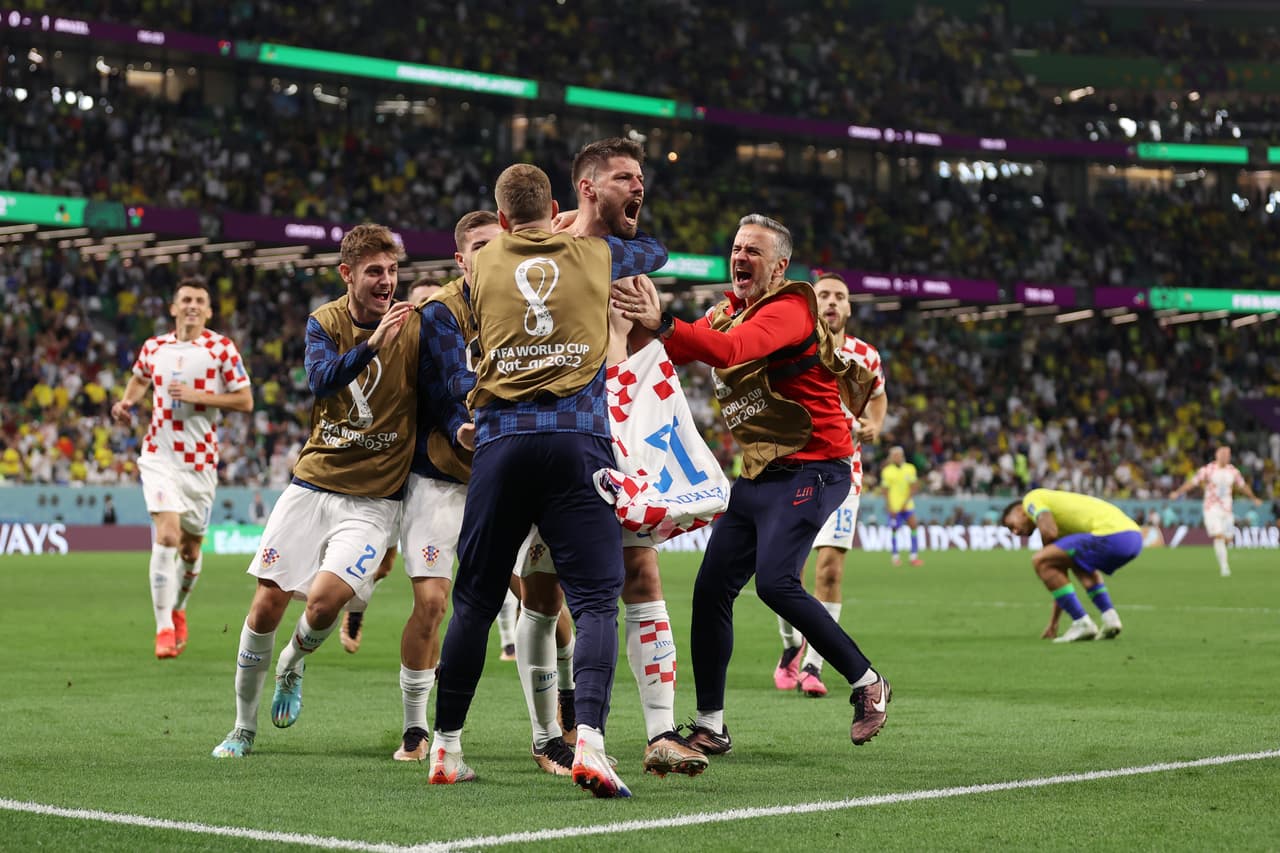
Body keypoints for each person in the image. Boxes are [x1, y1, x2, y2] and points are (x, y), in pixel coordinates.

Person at [427, 163, 668, 798]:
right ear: (556, 205)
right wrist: (574, 227)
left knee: (476, 603)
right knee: (592, 601)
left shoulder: (481, 265)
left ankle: (445, 747)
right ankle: (588, 741)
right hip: (576, 442)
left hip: (502, 444)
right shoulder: (595, 252)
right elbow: (657, 251)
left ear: (500, 219)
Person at [614, 213, 892, 753]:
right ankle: (712, 726)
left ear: (780, 266)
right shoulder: (724, 312)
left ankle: (868, 683)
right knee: (710, 589)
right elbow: (681, 348)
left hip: (816, 468)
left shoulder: (790, 308)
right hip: (761, 472)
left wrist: (666, 322)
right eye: (737, 248)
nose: (740, 257)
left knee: (774, 583)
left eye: (754, 252)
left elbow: (732, 350)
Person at [211, 224, 427, 758]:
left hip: (374, 500)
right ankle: (242, 728)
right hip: (312, 485)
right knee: (265, 605)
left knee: (327, 603)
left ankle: (293, 661)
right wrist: (372, 346)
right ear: (347, 274)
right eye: (375, 271)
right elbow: (321, 379)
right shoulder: (324, 323)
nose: (386, 282)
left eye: (393, 271)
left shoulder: (416, 328)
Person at [558, 137, 713, 777]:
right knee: (542, 596)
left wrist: (654, 318)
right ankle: (551, 735)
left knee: (642, 573)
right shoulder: (546, 244)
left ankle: (659, 735)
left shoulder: (629, 264)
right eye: (626, 176)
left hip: (610, 440)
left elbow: (638, 346)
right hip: (547, 433)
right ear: (590, 185)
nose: (640, 186)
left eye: (643, 176)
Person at [110, 278, 253, 659]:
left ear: (208, 311)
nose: (192, 305)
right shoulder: (154, 347)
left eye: (199, 301)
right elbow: (140, 378)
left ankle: (179, 607)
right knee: (168, 536)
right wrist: (126, 403)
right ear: (173, 308)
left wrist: (199, 396)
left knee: (190, 550)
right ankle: (163, 629)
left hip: (200, 462)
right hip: (159, 455)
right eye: (185, 299)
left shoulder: (221, 348)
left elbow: (245, 400)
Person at [774, 272, 887, 699]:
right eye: (824, 295)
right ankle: (789, 648)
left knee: (830, 569)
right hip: (793, 470)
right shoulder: (792, 344)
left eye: (841, 297)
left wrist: (874, 424)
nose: (833, 302)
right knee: (785, 573)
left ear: (850, 308)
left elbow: (877, 394)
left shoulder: (865, 356)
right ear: (811, 302)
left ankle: (813, 664)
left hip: (843, 472)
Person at [1001, 488, 1141, 642]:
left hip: (1113, 535)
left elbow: (1049, 533)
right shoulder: (1063, 525)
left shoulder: (1031, 498)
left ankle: (1081, 622)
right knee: (1080, 566)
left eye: (1011, 525)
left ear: (1020, 511)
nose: (1014, 532)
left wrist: (1047, 556)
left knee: (1040, 560)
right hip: (1133, 537)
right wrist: (1054, 623)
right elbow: (1060, 578)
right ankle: (1110, 618)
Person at [1169, 445, 1263, 577]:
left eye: (1228, 454)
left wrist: (1253, 498)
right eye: (1223, 454)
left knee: (1228, 539)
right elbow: (1193, 482)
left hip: (1227, 510)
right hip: (1211, 508)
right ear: (1217, 455)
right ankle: (1224, 568)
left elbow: (1242, 486)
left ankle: (1224, 549)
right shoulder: (1208, 470)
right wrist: (1177, 492)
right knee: (1218, 535)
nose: (1225, 456)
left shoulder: (1233, 471)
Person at [879, 446, 923, 566]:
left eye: (898, 455)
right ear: (891, 457)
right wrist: (889, 505)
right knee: (894, 529)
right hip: (894, 506)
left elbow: (914, 486)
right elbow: (885, 490)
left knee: (914, 526)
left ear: (902, 455)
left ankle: (913, 556)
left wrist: (906, 501)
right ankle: (895, 556)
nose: (896, 457)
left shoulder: (910, 468)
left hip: (907, 505)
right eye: (894, 455)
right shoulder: (887, 471)